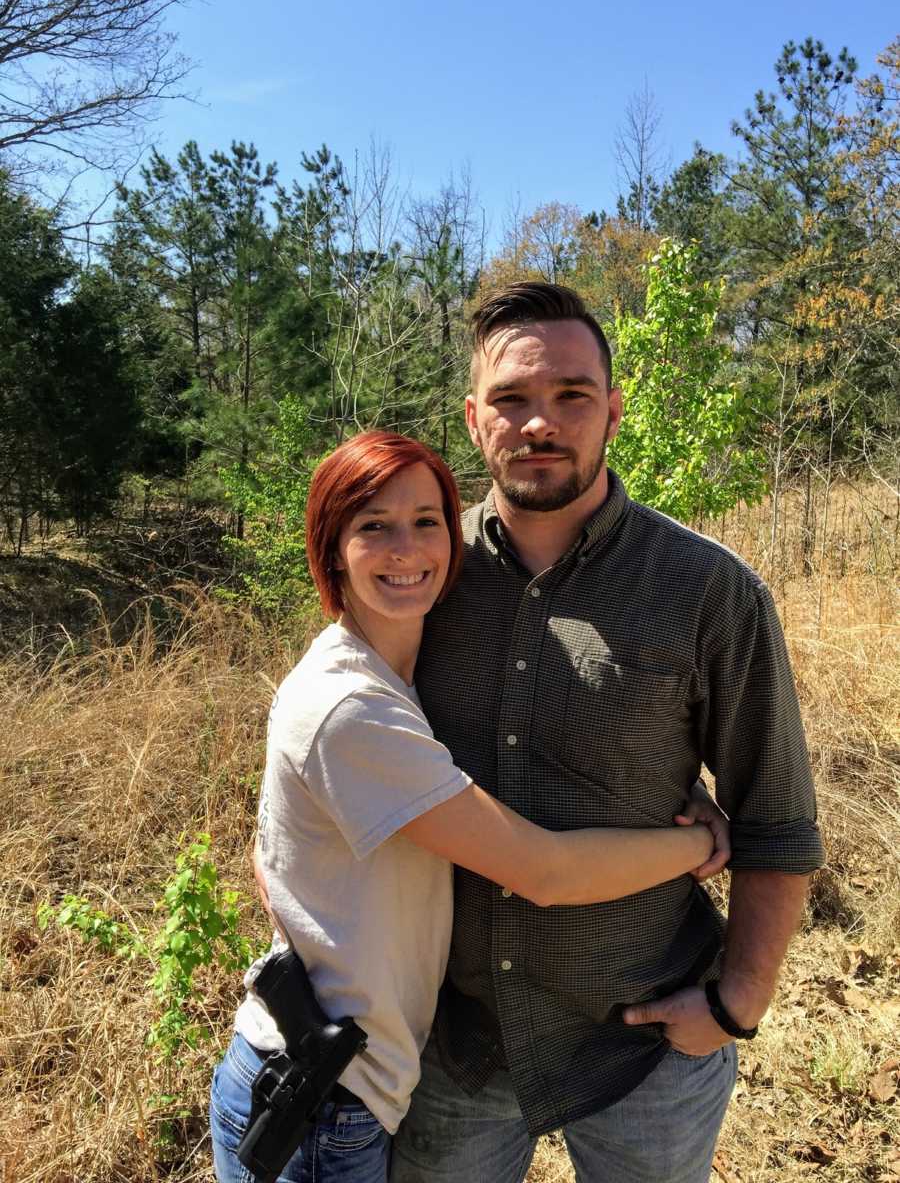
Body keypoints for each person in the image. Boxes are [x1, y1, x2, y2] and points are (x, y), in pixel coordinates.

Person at [209, 430, 731, 1183]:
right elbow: (541, 870)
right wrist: (698, 845)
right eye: (372, 526)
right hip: (323, 1104)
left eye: (427, 522)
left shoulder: (405, 673)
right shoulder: (348, 705)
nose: (406, 548)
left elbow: (272, 860)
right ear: (330, 548)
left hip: (354, 1080)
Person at [390, 283, 825, 1183]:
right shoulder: (420, 576)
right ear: (474, 420)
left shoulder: (709, 590)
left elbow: (778, 818)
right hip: (453, 1043)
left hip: (647, 1048)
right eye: (511, 399)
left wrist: (737, 1003)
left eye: (571, 396)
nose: (539, 423)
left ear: (613, 412)